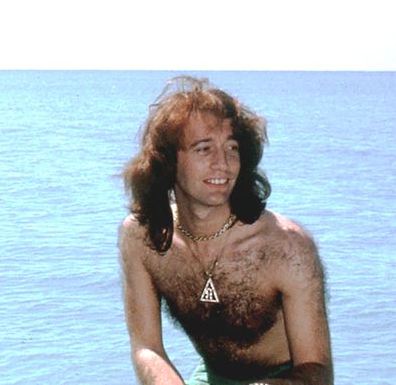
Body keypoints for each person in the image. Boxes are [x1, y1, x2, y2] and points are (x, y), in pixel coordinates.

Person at [118, 77, 333, 385]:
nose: (223, 163)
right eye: (204, 149)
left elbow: (318, 373)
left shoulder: (287, 246)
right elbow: (147, 348)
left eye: (232, 148)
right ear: (167, 163)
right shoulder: (143, 238)